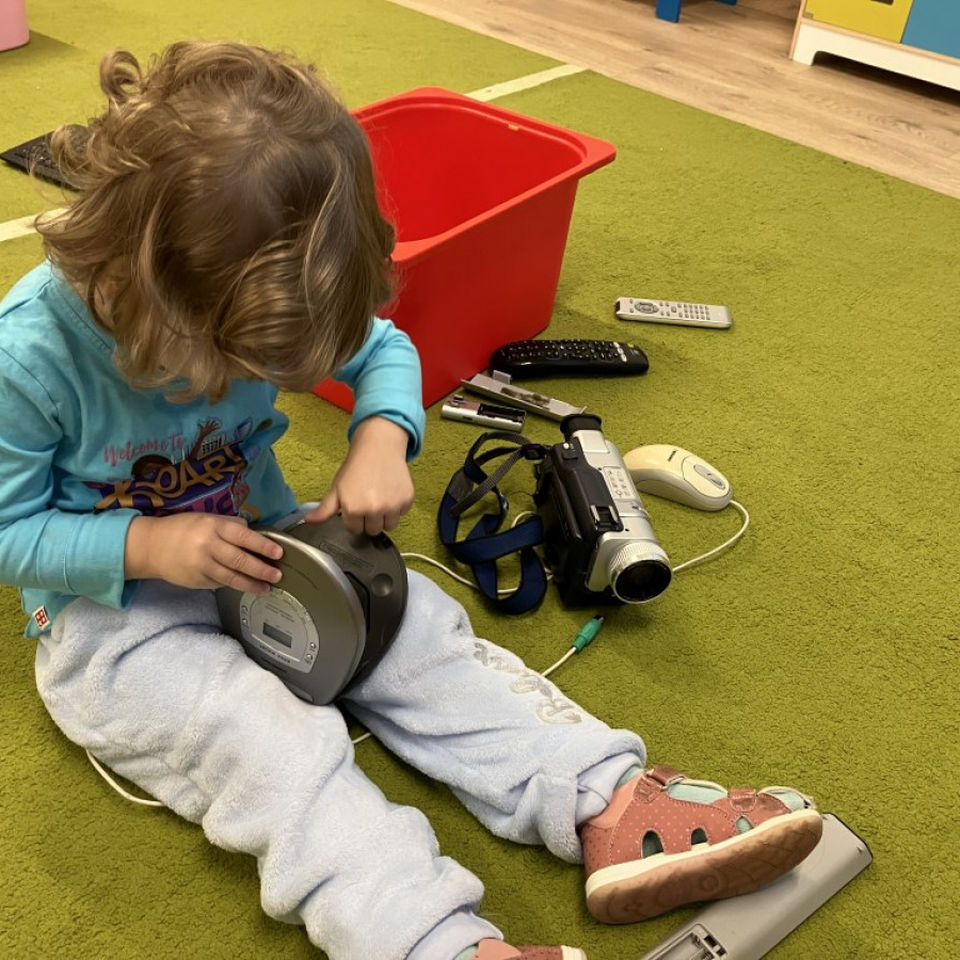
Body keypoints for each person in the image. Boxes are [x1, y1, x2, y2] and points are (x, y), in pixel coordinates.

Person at [0, 42, 823, 960]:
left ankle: (605, 802)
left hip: (276, 550)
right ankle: (431, 941)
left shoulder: (264, 285)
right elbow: (7, 531)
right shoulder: (29, 357)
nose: (250, 384)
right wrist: (147, 550)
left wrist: (382, 437)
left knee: (420, 632)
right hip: (114, 621)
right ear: (148, 291)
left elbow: (383, 350)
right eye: (235, 369)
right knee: (268, 741)